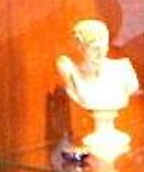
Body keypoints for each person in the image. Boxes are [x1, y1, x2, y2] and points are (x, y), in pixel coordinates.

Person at [56, 19, 139, 163]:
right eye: (95, 49)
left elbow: (132, 87)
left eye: (104, 47)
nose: (101, 53)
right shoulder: (73, 74)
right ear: (81, 48)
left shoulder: (123, 69)